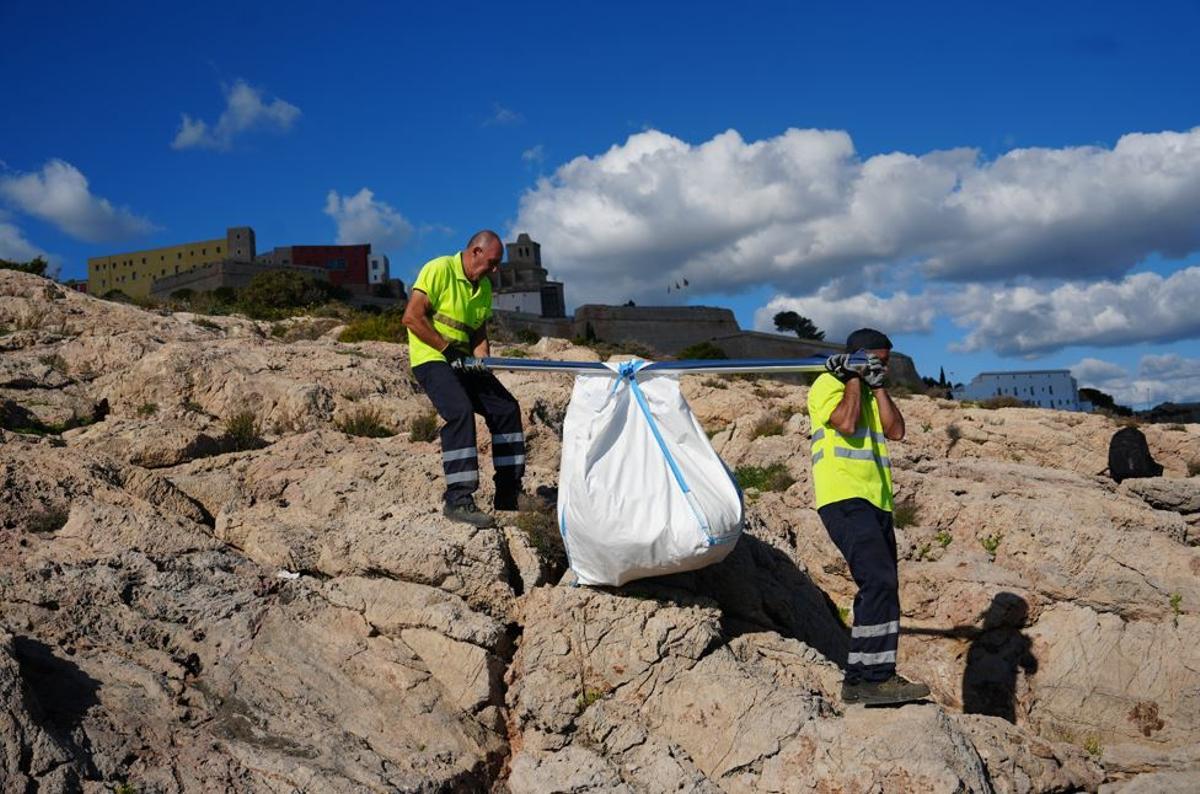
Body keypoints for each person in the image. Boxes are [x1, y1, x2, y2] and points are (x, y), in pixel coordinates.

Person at [808, 328, 930, 706]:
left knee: (881, 586)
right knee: (878, 581)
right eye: (877, 360)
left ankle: (860, 678)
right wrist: (851, 380)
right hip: (844, 497)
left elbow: (897, 431)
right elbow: (845, 423)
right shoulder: (826, 384)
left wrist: (878, 386)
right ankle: (877, 678)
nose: (884, 367)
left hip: (877, 502)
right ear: (858, 357)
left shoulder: (873, 391)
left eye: (887, 362)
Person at [402, 230, 525, 528]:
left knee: (506, 409)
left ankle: (509, 495)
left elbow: (478, 333)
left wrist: (482, 363)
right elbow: (411, 317)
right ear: (475, 253)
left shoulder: (482, 287)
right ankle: (458, 499)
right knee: (459, 412)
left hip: (462, 360)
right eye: (492, 262)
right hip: (432, 358)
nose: (495, 270)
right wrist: (446, 350)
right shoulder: (439, 269)